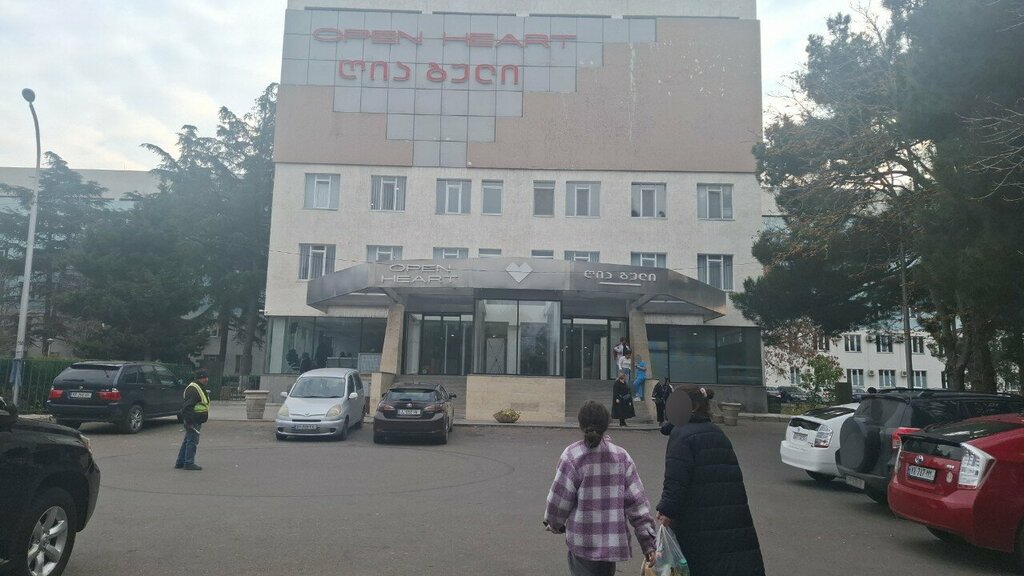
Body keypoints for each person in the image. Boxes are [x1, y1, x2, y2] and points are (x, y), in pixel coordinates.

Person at [656, 386, 765, 576]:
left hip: (696, 518)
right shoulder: (717, 432)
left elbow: (676, 479)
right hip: (727, 515)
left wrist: (667, 509)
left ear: (693, 407)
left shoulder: (681, 435)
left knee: (698, 564)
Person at [544, 401, 656, 576]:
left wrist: (554, 524)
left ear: (581, 424)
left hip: (582, 542)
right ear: (606, 425)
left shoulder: (572, 456)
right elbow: (637, 503)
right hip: (611, 545)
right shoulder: (622, 457)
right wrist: (648, 542)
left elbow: (559, 499)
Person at [175, 369, 211, 471]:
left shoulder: (197, 387)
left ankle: (180, 462)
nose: (206, 379)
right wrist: (189, 422)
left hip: (195, 418)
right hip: (194, 419)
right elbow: (187, 407)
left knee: (187, 440)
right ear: (199, 378)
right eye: (204, 377)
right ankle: (189, 463)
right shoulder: (194, 390)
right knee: (192, 441)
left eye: (206, 377)